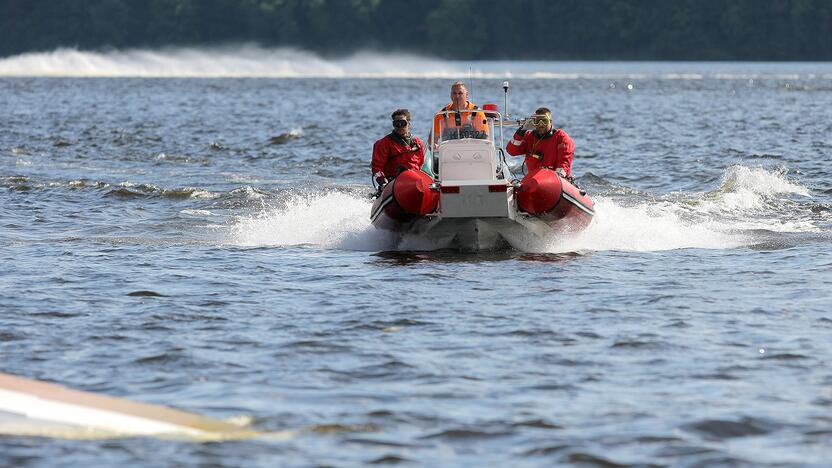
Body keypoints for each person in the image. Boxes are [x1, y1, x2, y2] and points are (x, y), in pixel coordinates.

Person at [506, 107, 574, 179]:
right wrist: (521, 131)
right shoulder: (529, 137)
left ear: (550, 122)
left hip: (556, 181)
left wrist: (557, 178)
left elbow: (564, 163)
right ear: (533, 123)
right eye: (537, 121)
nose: (541, 124)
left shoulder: (561, 138)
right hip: (534, 180)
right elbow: (512, 151)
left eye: (544, 121)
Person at [371, 108, 425, 188]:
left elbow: (421, 164)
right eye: (397, 123)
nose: (400, 126)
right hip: (393, 183)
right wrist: (383, 183)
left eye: (402, 123)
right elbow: (377, 168)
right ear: (393, 125)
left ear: (409, 124)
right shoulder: (383, 144)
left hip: (414, 181)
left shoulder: (418, 143)